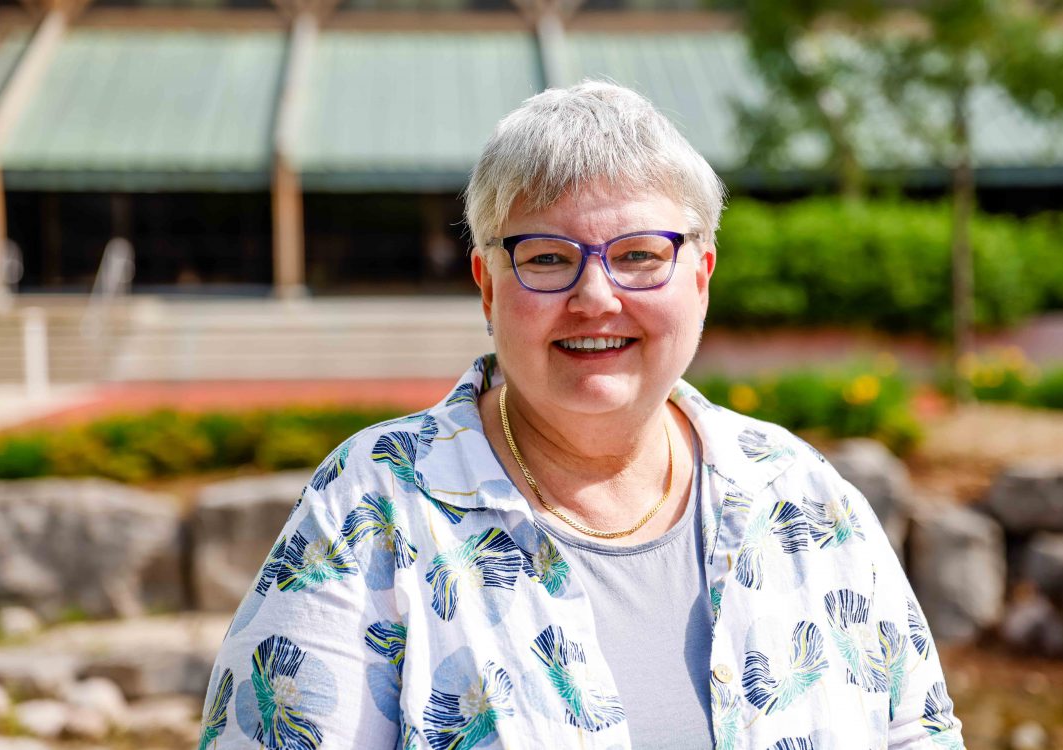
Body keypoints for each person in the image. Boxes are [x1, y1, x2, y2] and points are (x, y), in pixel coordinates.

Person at [200, 81, 965, 750]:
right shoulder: (375, 506)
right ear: (488, 286)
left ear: (700, 276)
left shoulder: (804, 498)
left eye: (638, 254)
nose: (596, 297)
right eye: (547, 256)